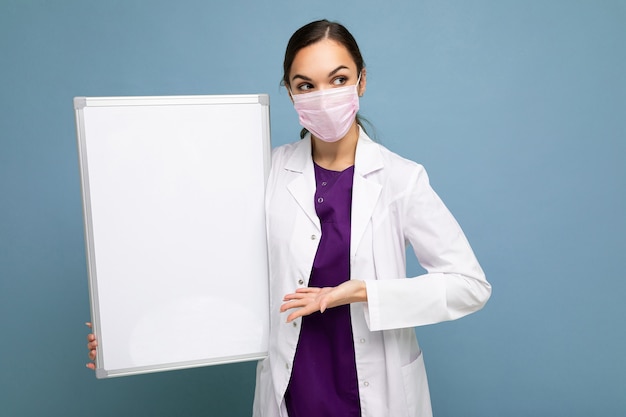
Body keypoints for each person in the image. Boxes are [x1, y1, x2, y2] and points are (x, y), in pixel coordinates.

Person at [87, 19, 491, 417]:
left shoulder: (401, 179)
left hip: (375, 392)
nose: (324, 96)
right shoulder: (265, 171)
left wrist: (361, 291)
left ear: (361, 81)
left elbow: (469, 286)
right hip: (295, 388)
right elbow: (208, 264)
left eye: (338, 79)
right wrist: (125, 333)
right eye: (306, 85)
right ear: (290, 92)